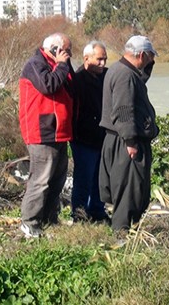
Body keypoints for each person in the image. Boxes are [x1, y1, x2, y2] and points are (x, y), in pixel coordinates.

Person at [99, 35, 159, 232]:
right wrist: (131, 142)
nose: (151, 60)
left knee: (129, 188)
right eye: (149, 57)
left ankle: (125, 230)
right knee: (128, 190)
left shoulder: (121, 69)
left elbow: (137, 85)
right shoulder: (126, 75)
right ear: (141, 54)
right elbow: (124, 111)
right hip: (125, 143)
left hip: (118, 139)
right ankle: (121, 234)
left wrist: (147, 68)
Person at [18, 33, 75, 238]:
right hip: (42, 131)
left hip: (60, 132)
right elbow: (48, 85)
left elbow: (71, 90)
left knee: (57, 179)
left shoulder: (61, 65)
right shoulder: (35, 64)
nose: (70, 54)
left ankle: (49, 218)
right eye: (67, 50)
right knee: (40, 180)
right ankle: (30, 222)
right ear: (55, 49)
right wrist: (61, 65)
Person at [70, 41, 109, 223]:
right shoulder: (78, 79)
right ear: (87, 59)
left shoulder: (106, 76)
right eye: (99, 59)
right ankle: (79, 215)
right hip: (83, 138)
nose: (102, 63)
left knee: (100, 179)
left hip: (102, 136)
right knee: (83, 179)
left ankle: (97, 211)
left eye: (105, 59)